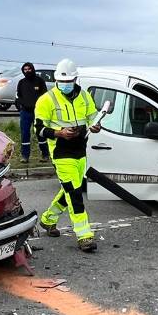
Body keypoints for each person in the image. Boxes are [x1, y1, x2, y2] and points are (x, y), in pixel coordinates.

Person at [34, 58, 101, 253]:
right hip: (61, 153)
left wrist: (96, 125)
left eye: (68, 81)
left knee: (70, 189)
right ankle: (84, 235)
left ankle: (48, 219)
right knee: (74, 194)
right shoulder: (46, 100)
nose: (64, 84)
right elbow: (38, 129)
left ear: (75, 79)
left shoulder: (85, 97)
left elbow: (92, 117)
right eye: (61, 81)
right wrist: (58, 133)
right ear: (56, 80)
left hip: (80, 150)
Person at [15, 62, 50, 163]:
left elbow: (45, 96)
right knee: (25, 134)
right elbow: (18, 96)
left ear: (33, 69)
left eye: (29, 69)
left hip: (38, 113)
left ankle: (45, 154)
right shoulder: (21, 82)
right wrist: (21, 105)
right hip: (25, 113)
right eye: (25, 70)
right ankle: (25, 156)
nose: (27, 71)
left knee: (41, 133)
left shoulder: (39, 81)